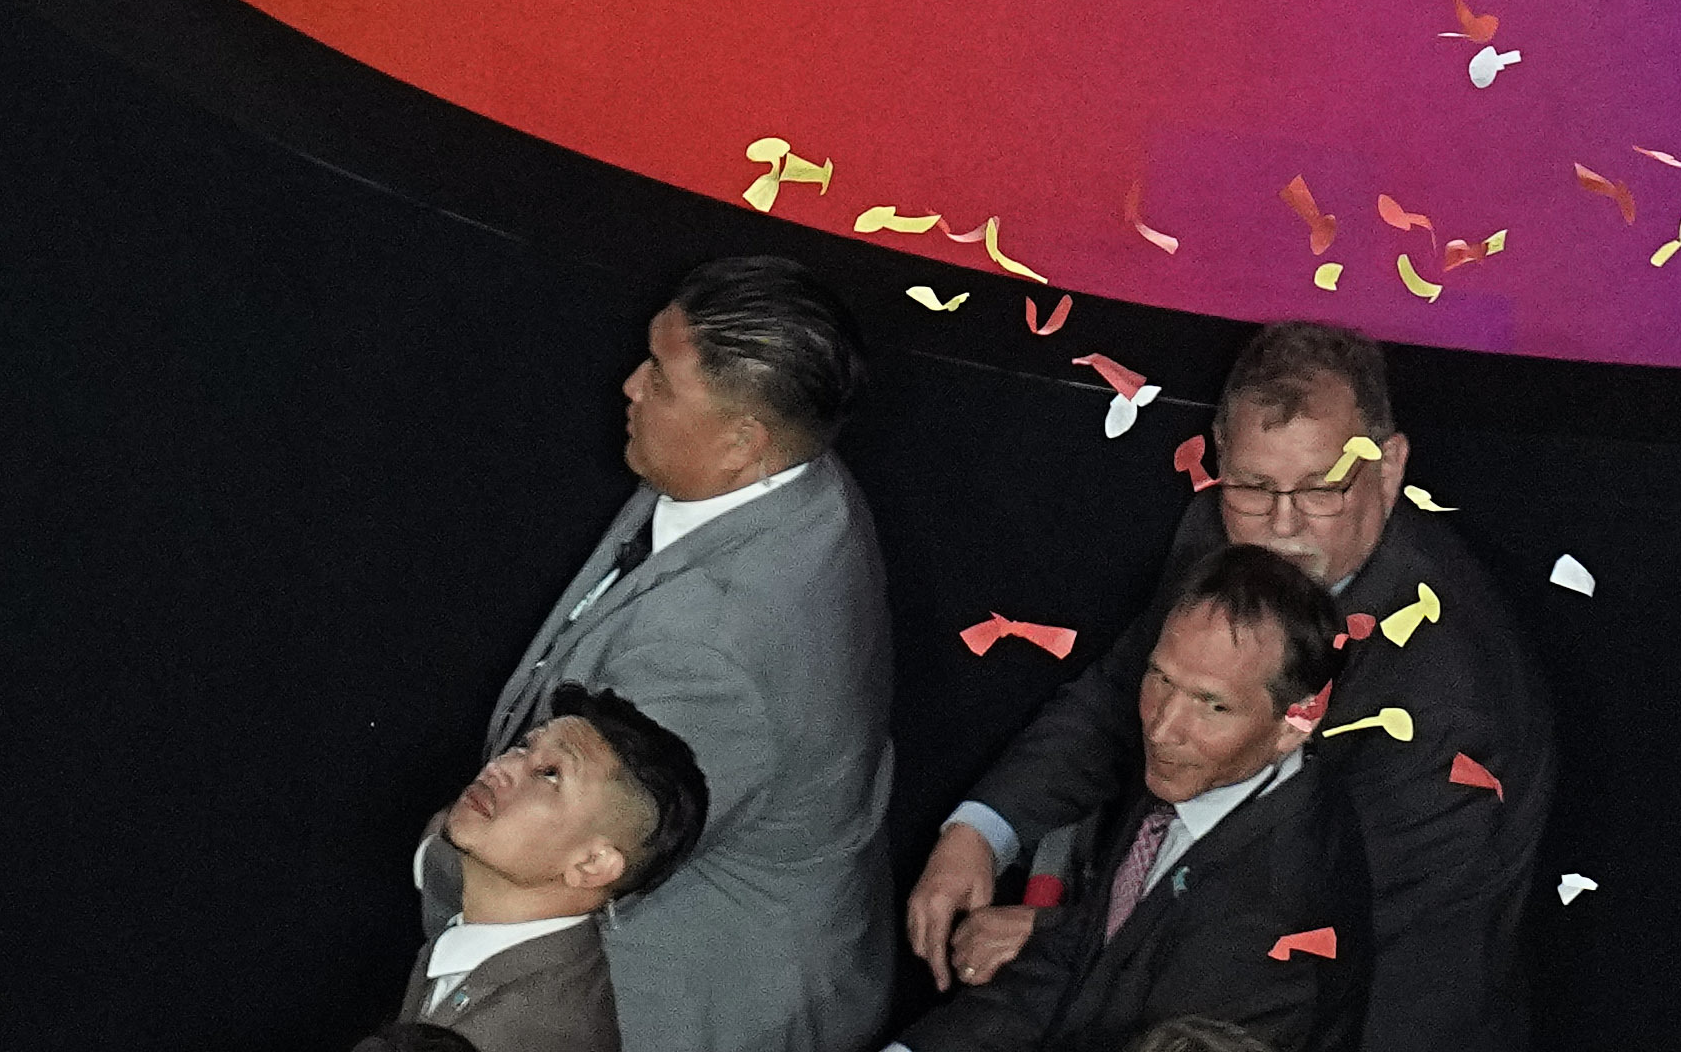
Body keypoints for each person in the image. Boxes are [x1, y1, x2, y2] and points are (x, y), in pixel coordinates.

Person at [908, 325, 1554, 1052]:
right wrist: (982, 829)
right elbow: (1121, 695)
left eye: (1320, 490)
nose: (1279, 526)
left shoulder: (1445, 706)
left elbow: (1313, 925)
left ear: (1391, 466)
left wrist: (1076, 930)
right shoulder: (1218, 538)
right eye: (1251, 486)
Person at [439, 256, 889, 1052]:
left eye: (662, 378)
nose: (632, 385)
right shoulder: (786, 481)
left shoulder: (712, 656)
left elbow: (561, 860)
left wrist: (433, 861)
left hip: (684, 1004)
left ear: (742, 441)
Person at [888, 547, 1368, 1052]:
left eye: (1212, 705)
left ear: (1297, 723)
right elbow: (1084, 970)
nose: (1161, 729)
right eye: (1161, 678)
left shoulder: (1270, 935)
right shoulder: (1203, 781)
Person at [392, 689, 707, 1052]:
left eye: (550, 775)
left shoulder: (533, 1031)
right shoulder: (498, 939)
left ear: (592, 864)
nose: (502, 767)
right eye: (524, 746)